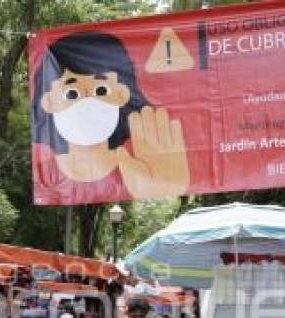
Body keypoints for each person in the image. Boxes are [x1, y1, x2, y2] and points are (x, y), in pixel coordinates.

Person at [31, 31, 189, 204]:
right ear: (48, 101)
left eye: (101, 90)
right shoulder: (44, 177)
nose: (88, 103)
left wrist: (166, 186)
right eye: (71, 93)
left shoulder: (140, 163)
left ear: (122, 93)